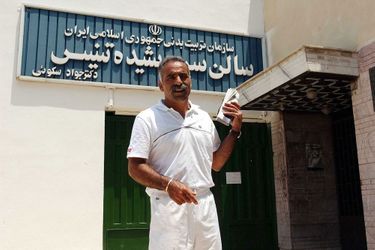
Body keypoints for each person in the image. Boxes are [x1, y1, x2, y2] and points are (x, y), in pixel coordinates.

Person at [127, 55, 243, 250]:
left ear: (190, 80)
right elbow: (135, 167)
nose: (178, 81)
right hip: (169, 206)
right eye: (171, 77)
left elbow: (215, 163)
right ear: (160, 85)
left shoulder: (204, 118)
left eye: (183, 76)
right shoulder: (147, 119)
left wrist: (235, 131)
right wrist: (169, 185)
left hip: (204, 205)